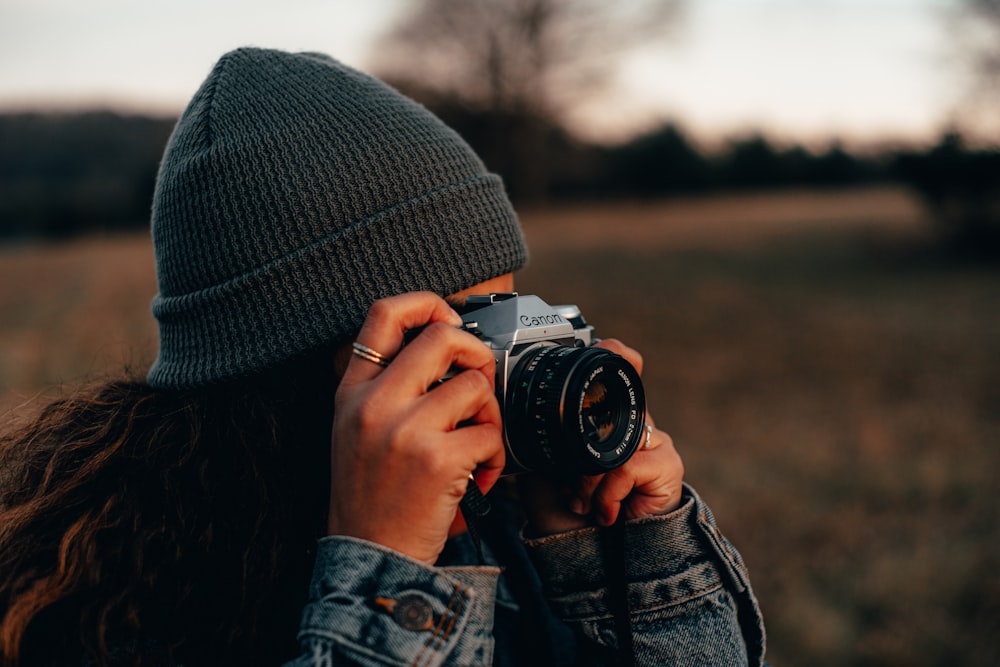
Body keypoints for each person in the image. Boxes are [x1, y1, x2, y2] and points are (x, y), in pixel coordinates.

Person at [0, 47, 766, 666]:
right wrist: (383, 576)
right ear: (292, 372)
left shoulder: (502, 519)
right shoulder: (116, 611)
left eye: (509, 315)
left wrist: (627, 563)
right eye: (460, 331)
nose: (497, 368)